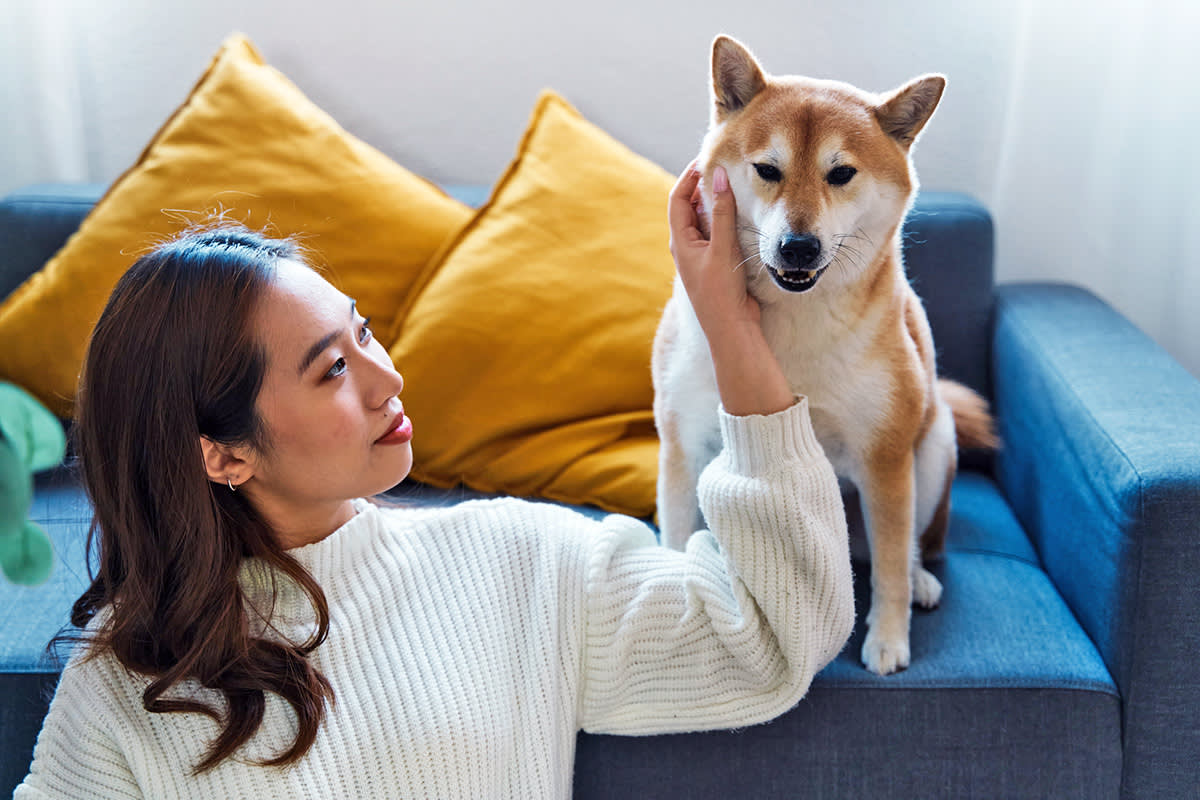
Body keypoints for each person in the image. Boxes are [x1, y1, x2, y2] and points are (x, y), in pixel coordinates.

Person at [16, 164, 855, 798]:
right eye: (332, 369)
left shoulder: (519, 562)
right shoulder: (125, 683)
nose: (387, 381)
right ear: (224, 455)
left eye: (366, 333)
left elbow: (776, 635)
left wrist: (731, 326)